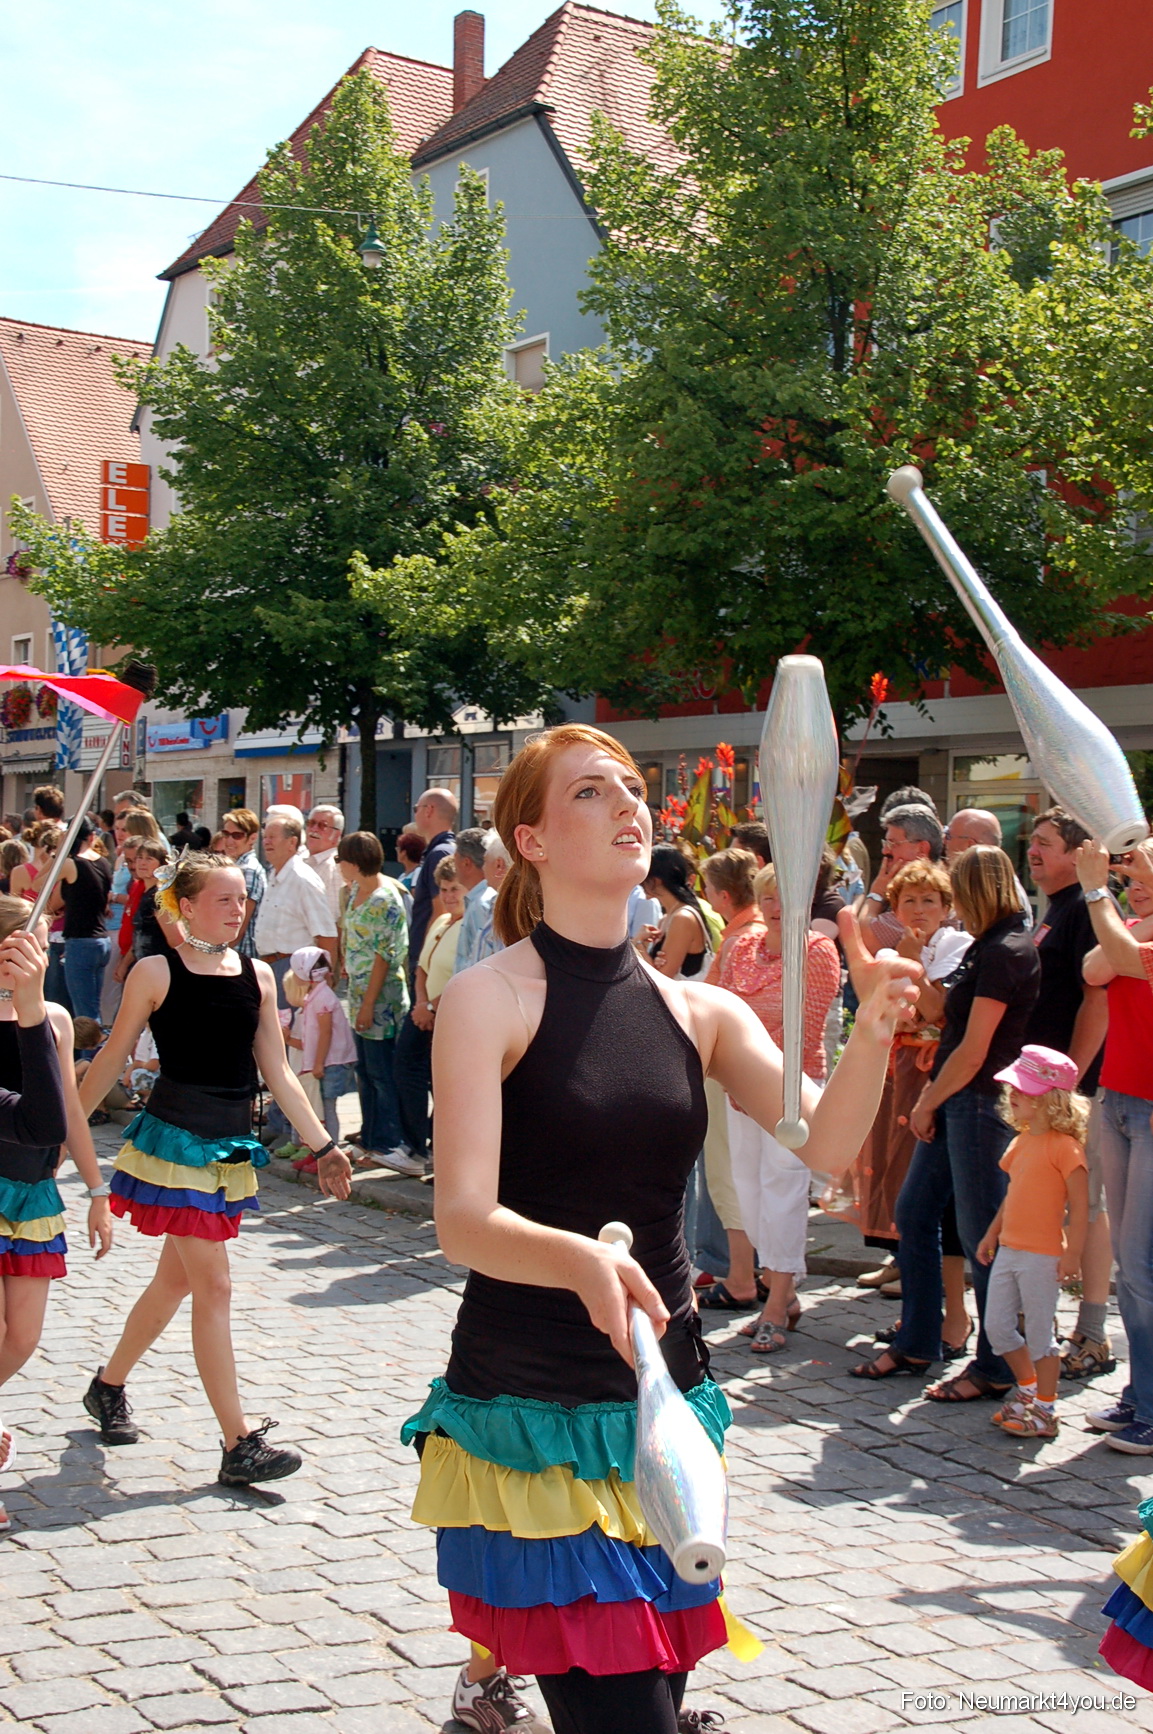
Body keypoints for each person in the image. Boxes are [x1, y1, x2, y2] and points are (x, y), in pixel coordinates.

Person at [399, 724, 918, 1734]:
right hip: (534, 1416)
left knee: (659, 1694)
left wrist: (879, 1025)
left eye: (632, 787)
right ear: (534, 839)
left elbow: (829, 1142)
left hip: (667, 1399)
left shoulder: (699, 1009)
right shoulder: (487, 997)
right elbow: (462, 1219)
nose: (628, 805)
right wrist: (575, 1259)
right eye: (592, 792)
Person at [77, 851, 352, 1486]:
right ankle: (238, 1442)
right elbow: (112, 1057)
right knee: (215, 1287)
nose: (237, 909)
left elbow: (277, 1072)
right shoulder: (155, 970)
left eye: (241, 900)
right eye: (224, 900)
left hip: (229, 1148)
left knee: (176, 1282)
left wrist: (323, 1145)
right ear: (188, 905)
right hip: (176, 1145)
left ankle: (107, 1384)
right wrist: (59, 1135)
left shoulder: (255, 974)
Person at [852, 845, 1040, 1397]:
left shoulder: (1007, 948)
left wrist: (929, 1100)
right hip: (960, 1097)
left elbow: (976, 1047)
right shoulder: (989, 945)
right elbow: (943, 1018)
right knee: (914, 1211)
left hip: (979, 1102)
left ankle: (996, 1362)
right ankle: (919, 1338)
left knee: (982, 1236)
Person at [0, 908, 112, 1531]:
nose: (44, 956)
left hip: (33, 1191)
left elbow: (67, 1107)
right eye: (31, 946)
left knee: (21, 1337)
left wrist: (96, 1189)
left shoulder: (53, 1018)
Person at [718, 862, 841, 1351]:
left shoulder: (817, 951)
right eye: (767, 896)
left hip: (792, 1087)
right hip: (739, 1087)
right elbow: (722, 1009)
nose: (774, 907)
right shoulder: (741, 946)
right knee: (749, 1193)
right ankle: (782, 1293)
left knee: (784, 1190)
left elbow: (805, 1029)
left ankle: (777, 1301)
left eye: (784, 897)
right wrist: (737, 1076)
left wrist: (761, 1084)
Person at [850, 861, 973, 1341]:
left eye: (929, 901)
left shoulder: (954, 947)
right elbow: (881, 1013)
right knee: (899, 1181)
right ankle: (921, 1306)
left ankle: (951, 1314)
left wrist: (914, 964)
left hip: (934, 1076)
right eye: (910, 902)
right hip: (898, 1069)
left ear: (946, 908)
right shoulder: (892, 949)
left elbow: (936, 1012)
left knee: (934, 1198)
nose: (919, 910)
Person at [1015, 806, 1111, 1380]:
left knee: (1087, 1205)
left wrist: (1070, 1081)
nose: (1034, 850)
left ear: (1077, 854)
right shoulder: (1057, 909)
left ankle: (1093, 1333)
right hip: (1047, 1087)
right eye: (1033, 841)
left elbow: (1095, 1000)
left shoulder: (1084, 911)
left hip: (1076, 1090)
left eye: (1046, 843)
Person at [1078, 851, 1153, 1452]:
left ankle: (1150, 1405)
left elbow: (1124, 960)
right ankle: (1141, 1394)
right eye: (1131, 881)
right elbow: (1096, 966)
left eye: (1142, 882)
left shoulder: (1124, 924)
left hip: (1149, 1110)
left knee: (1143, 1263)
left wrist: (1098, 893)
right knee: (1135, 1267)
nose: (1132, 890)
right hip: (1120, 1099)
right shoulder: (1129, 923)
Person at [976, 1045, 1088, 1439]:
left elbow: (1081, 1205)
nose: (1013, 1097)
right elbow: (1013, 1194)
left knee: (1042, 1337)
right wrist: (991, 1233)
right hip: (1010, 1248)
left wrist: (1073, 1253)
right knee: (997, 1327)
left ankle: (1046, 1406)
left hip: (1042, 1255)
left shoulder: (1066, 1148)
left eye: (1023, 1091)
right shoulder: (1020, 1142)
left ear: (1050, 1099)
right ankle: (1027, 1389)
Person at [695, 848, 764, 1313]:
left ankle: (741, 1276)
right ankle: (745, 1272)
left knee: (728, 1174)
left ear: (722, 894)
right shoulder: (746, 933)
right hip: (741, 1071)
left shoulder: (743, 939)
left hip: (730, 1072)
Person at [335, 831, 413, 1175]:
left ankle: (387, 1140)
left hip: (380, 999)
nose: (338, 866)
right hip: (357, 992)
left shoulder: (386, 898)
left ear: (354, 863)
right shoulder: (354, 891)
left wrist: (368, 1004)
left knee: (382, 1072)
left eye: (342, 860)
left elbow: (387, 954)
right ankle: (368, 1136)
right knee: (365, 1070)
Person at [395, 858, 465, 1175]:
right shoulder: (442, 921)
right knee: (405, 1068)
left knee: (444, 1084)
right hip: (424, 1009)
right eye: (444, 889)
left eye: (455, 889)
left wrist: (433, 1007)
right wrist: (421, 1001)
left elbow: (463, 974)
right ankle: (415, 1144)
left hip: (448, 1014)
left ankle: (441, 1152)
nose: (449, 896)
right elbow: (422, 966)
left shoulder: (469, 925)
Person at [280, 946, 356, 1164]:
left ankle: (332, 1153)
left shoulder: (323, 998)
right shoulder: (315, 996)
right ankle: (319, 1151)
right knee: (319, 1105)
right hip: (324, 1061)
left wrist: (319, 1063)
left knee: (327, 1106)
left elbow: (325, 1032)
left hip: (331, 1062)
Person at [254, 810, 337, 1003]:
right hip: (269, 967)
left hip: (293, 971)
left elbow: (326, 935)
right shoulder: (274, 875)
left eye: (272, 837)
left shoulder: (303, 880)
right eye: (265, 837)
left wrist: (321, 979)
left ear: (292, 842)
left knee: (291, 1031)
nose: (266, 842)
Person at [49, 819, 113, 1050]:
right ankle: (91, 1060)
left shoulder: (71, 863)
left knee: (84, 1014)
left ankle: (89, 1062)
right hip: (101, 941)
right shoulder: (104, 863)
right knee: (92, 1009)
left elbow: (39, 884)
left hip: (81, 941)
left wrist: (57, 854)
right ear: (91, 837)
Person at [856, 804, 947, 955]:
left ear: (922, 849)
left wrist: (876, 894)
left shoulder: (926, 888)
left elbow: (865, 936)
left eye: (893, 844)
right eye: (885, 843)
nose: (885, 851)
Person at [642, 844, 714, 979]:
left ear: (656, 881)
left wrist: (638, 946)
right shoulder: (667, 917)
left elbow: (662, 980)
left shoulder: (683, 918)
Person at [409, 787, 459, 965]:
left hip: (428, 960)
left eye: (417, 808)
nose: (415, 815)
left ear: (429, 810)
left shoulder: (440, 853)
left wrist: (426, 961)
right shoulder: (445, 849)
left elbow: (442, 911)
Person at [216, 809, 265, 956]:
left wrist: (217, 953)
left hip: (242, 954)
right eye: (226, 834)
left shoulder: (248, 870)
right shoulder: (236, 867)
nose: (229, 841)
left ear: (252, 838)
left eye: (237, 836)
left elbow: (240, 922)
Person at [451, 829, 496, 975]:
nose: (453, 864)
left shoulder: (481, 904)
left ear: (466, 863)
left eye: (455, 858)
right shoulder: (478, 901)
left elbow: (482, 960)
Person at [304, 804, 345, 929]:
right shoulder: (302, 859)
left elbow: (332, 920)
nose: (314, 829)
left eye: (322, 825)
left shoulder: (334, 867)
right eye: (311, 823)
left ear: (336, 835)